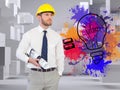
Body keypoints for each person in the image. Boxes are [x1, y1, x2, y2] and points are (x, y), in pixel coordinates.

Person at [16, 3, 64, 90]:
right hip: (35, 75)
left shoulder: (56, 36)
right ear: (39, 17)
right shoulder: (29, 35)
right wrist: (30, 60)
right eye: (46, 15)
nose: (50, 17)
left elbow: (60, 56)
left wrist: (59, 73)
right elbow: (19, 53)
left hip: (52, 75)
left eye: (51, 15)